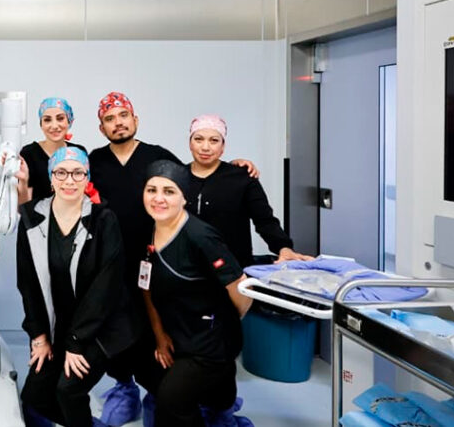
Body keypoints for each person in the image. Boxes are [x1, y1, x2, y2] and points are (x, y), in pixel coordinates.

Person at [82, 92, 258, 426]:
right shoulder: (96, 161)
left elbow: (193, 175)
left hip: (161, 259)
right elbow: (69, 181)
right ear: (102, 128)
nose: (118, 123)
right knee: (118, 329)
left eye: (123, 115)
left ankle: (165, 390)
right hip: (115, 264)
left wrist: (233, 168)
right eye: (109, 119)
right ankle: (125, 389)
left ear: (135, 120)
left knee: (162, 331)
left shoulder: (158, 156)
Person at [17, 147, 139, 427]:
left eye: (77, 173)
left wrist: (76, 342)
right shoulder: (32, 218)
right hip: (61, 324)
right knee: (35, 395)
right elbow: (28, 282)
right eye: (61, 172)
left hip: (101, 325)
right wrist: (39, 335)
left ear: (87, 179)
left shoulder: (103, 219)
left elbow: (105, 288)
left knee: (68, 389)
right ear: (51, 178)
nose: (69, 180)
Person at [135, 160, 252, 427]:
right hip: (177, 333)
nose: (158, 198)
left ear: (184, 197)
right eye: (151, 190)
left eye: (169, 191)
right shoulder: (149, 231)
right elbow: (146, 285)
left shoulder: (200, 236)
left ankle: (221, 404)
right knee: (147, 371)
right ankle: (217, 403)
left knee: (172, 400)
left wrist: (225, 326)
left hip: (210, 339)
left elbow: (241, 288)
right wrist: (159, 335)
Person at [185, 114, 312, 267]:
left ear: (223, 146)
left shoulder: (241, 177)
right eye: (198, 139)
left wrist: (283, 247)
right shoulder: (175, 178)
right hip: (185, 268)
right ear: (190, 143)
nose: (205, 147)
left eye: (214, 140)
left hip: (234, 268)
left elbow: (265, 220)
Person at [20, 97, 87, 202]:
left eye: (60, 118)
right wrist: (23, 181)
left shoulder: (78, 151)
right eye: (47, 120)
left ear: (69, 121)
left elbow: (84, 191)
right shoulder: (29, 154)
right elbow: (24, 203)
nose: (54, 126)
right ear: (41, 124)